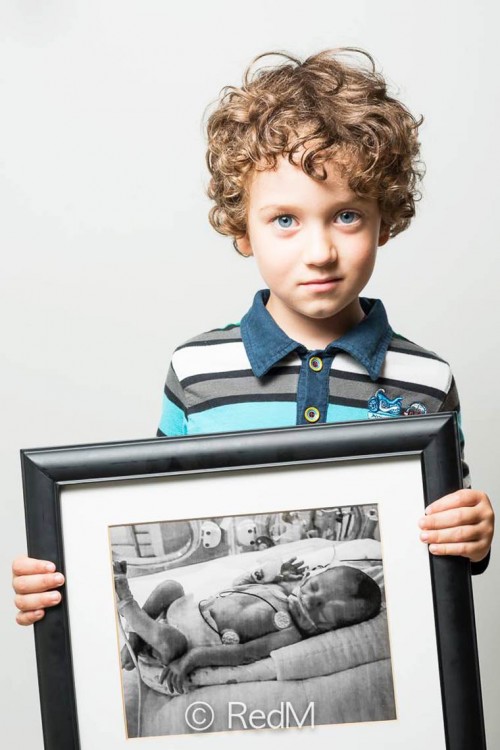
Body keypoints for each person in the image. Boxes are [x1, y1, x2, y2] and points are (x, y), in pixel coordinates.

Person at [12, 47, 494, 625]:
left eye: (346, 215)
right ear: (244, 229)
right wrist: (64, 574)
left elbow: (452, 546)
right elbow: (155, 523)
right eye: (285, 220)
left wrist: (476, 535)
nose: (319, 252)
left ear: (383, 219)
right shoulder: (196, 373)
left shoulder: (427, 379)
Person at [113, 556, 381, 694]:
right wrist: (264, 573)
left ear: (327, 629)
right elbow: (237, 586)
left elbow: (243, 654)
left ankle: (128, 605)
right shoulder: (280, 589)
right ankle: (137, 635)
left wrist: (192, 658)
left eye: (322, 610)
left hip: (184, 640)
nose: (310, 600)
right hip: (186, 608)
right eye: (313, 588)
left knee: (171, 641)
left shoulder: (289, 634)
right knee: (171, 587)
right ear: (309, 577)